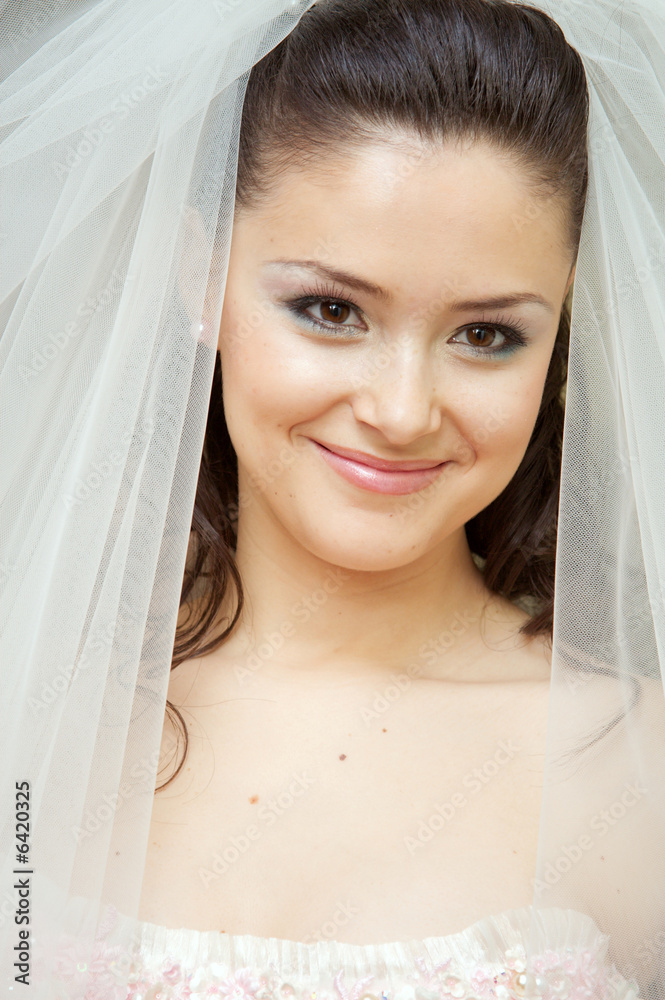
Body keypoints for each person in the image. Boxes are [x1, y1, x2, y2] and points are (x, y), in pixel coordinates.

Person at [1, 1, 664, 998]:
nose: (400, 410)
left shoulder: (634, 771)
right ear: (202, 278)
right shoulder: (35, 714)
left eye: (485, 335)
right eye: (330, 310)